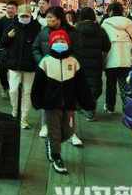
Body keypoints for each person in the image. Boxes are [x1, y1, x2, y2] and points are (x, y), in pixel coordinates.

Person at [31, 29, 94, 175]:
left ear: (68, 43)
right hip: (51, 105)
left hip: (69, 104)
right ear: (51, 44)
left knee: (68, 131)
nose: (60, 43)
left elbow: (82, 85)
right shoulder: (45, 62)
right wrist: (37, 101)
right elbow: (38, 85)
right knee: (54, 131)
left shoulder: (73, 62)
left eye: (63, 41)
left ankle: (51, 143)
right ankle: (56, 156)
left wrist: (87, 102)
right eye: (57, 41)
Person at [32, 6, 81, 144]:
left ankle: (71, 132)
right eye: (47, 17)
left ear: (59, 19)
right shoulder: (43, 32)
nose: (48, 20)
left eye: (50, 17)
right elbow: (35, 48)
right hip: (48, 72)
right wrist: (42, 62)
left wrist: (70, 62)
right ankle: (45, 125)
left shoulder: (72, 32)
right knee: (47, 99)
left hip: (67, 72)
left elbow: (78, 50)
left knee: (68, 102)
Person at [1, 4, 41, 128]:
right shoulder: (12, 26)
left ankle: (24, 118)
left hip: (30, 66)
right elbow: (3, 42)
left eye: (26, 16)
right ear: (18, 15)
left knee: (27, 92)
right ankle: (14, 112)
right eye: (22, 16)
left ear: (30, 15)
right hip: (14, 64)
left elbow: (39, 45)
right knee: (13, 90)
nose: (24, 18)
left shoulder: (36, 27)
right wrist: (8, 37)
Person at [102, 2, 132, 113]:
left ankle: (110, 107)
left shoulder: (105, 23)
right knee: (125, 85)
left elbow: (103, 41)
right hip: (127, 58)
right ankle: (127, 107)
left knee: (110, 85)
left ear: (110, 11)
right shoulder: (129, 22)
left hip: (111, 57)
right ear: (122, 11)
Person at [74, 7, 111, 121]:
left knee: (80, 84)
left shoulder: (76, 29)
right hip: (96, 62)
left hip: (79, 62)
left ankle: (80, 105)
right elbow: (107, 46)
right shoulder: (100, 29)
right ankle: (90, 110)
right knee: (94, 85)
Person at [0, 0, 18, 99]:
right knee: (2, 70)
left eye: (12, 8)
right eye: (8, 8)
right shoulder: (1, 21)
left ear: (16, 10)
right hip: (4, 49)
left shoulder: (19, 20)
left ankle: (16, 89)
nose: (10, 10)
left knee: (17, 71)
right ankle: (5, 87)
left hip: (17, 50)